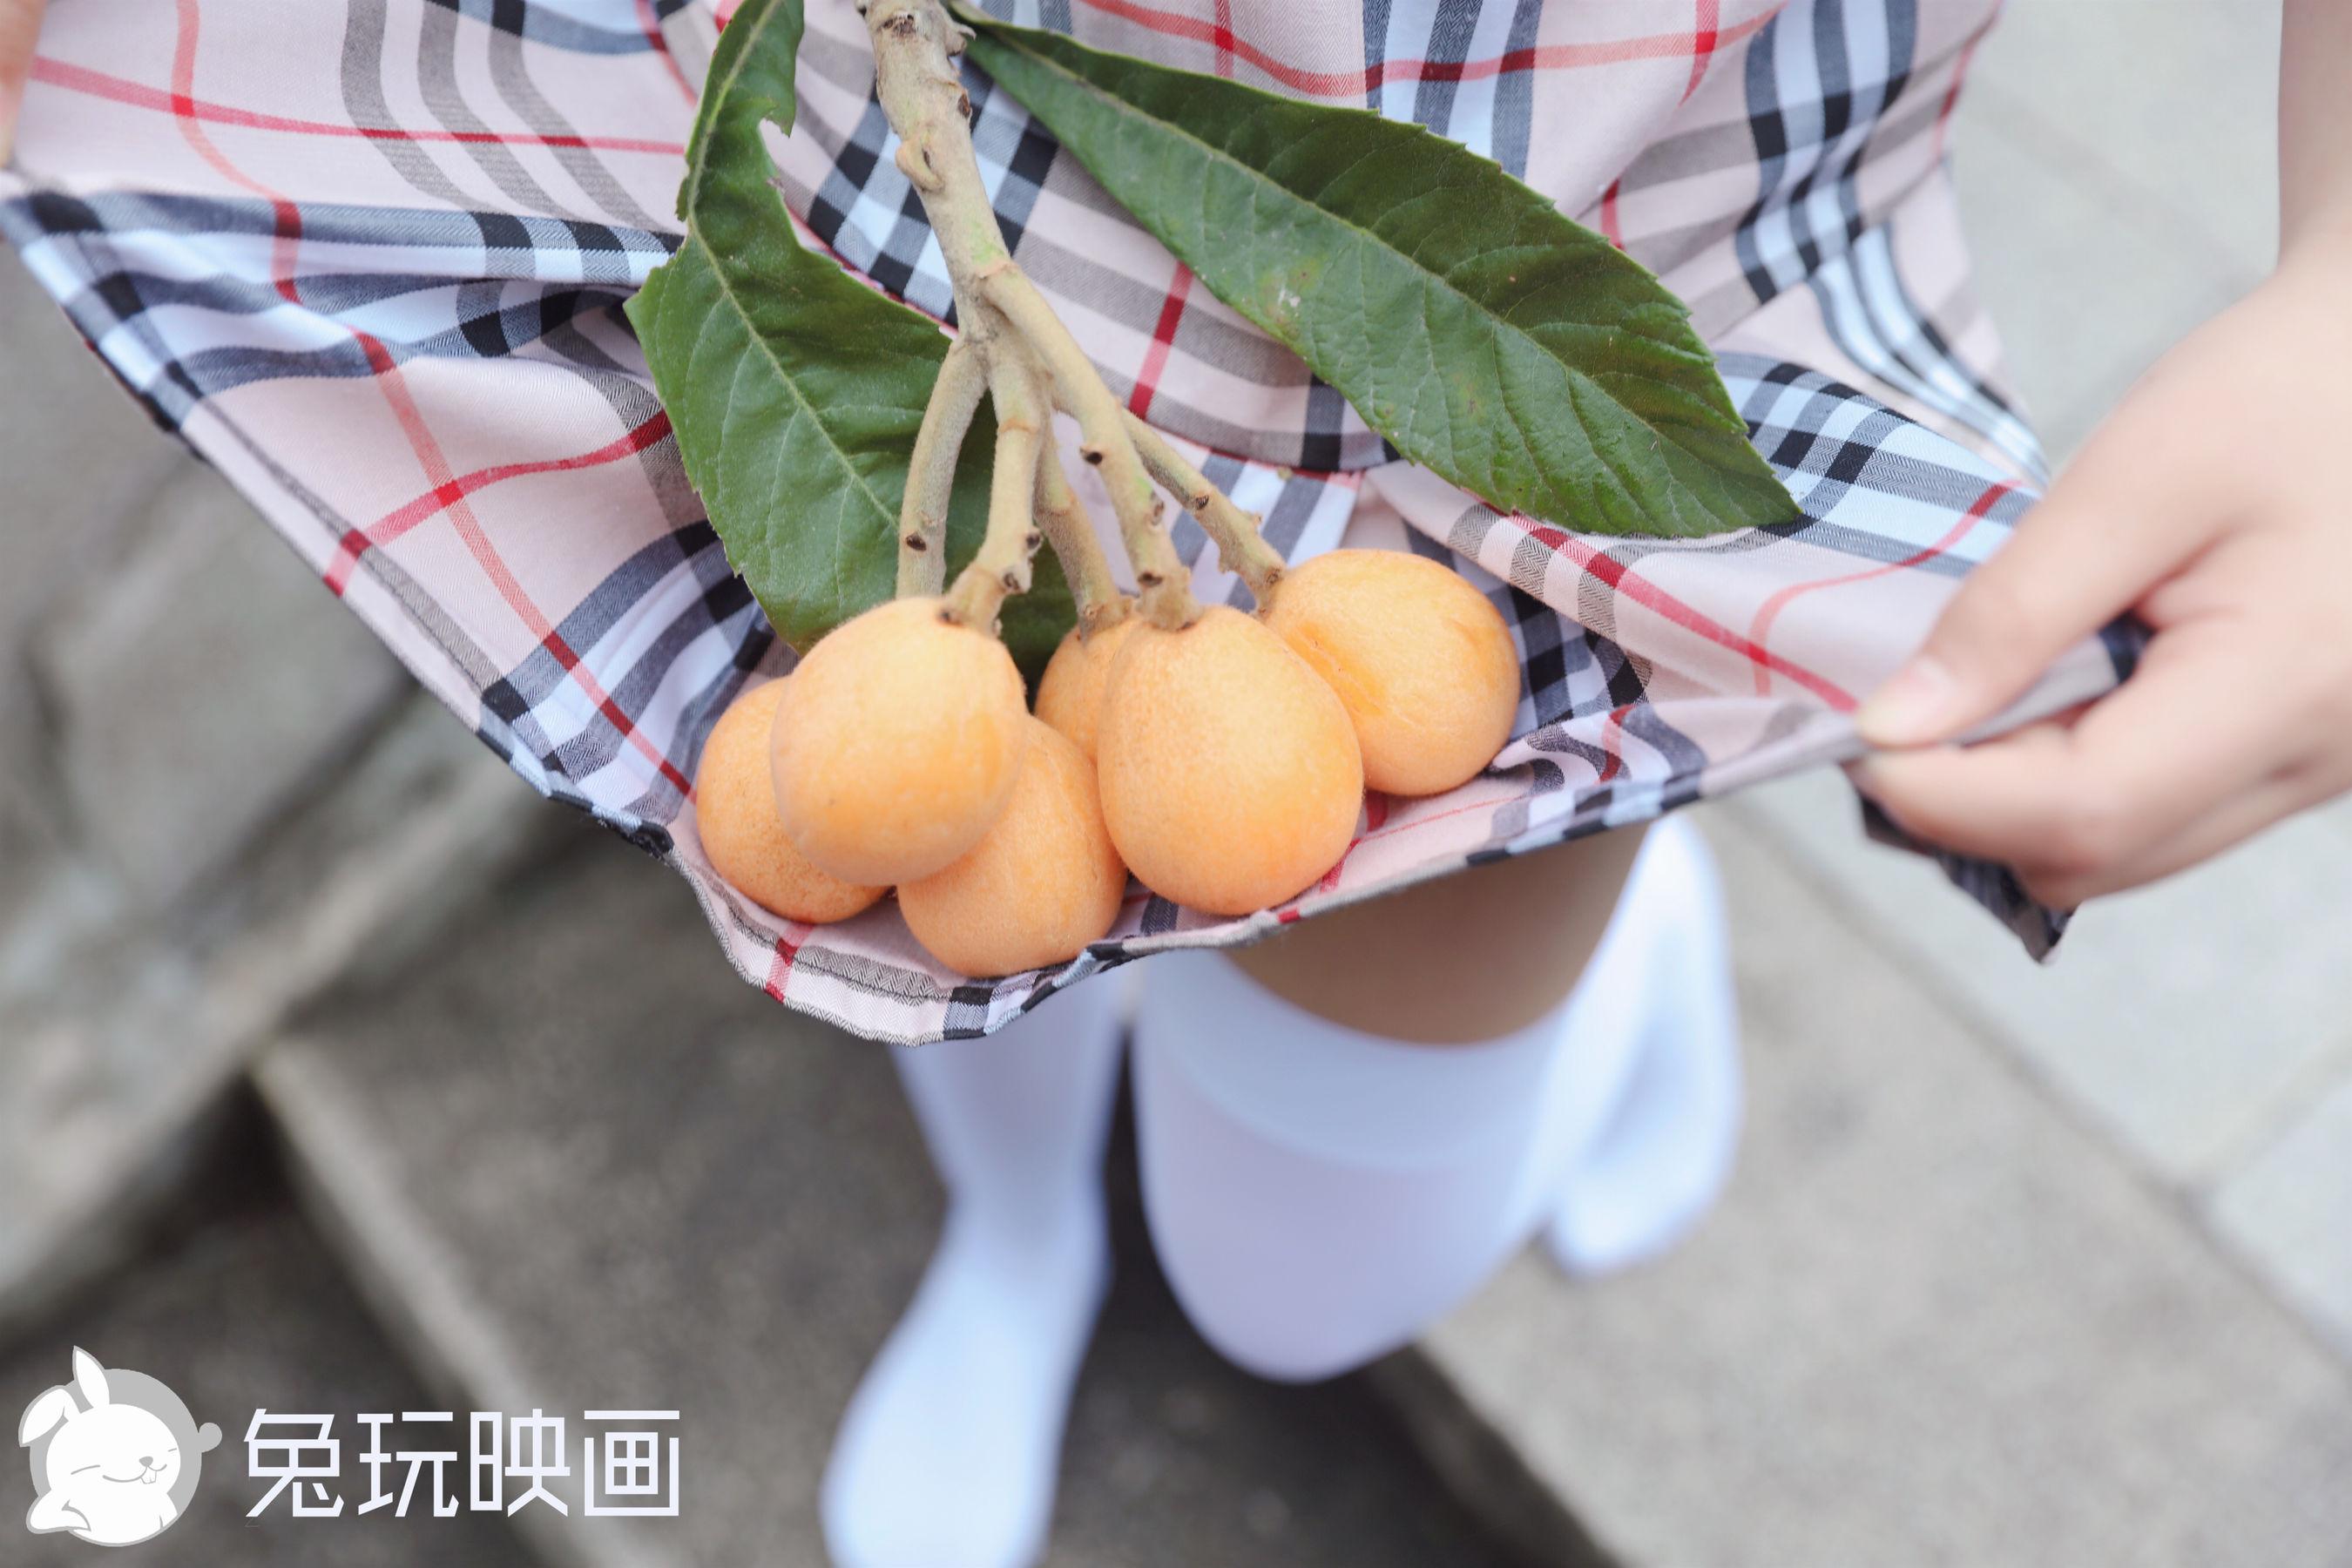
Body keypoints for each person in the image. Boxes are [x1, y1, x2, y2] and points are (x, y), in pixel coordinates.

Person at [5, 3, 2347, 1566]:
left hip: (1533, 200)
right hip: (826, 137)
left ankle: (1621, 890)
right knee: (929, 874)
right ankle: (1027, 1225)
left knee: (1295, 1284)